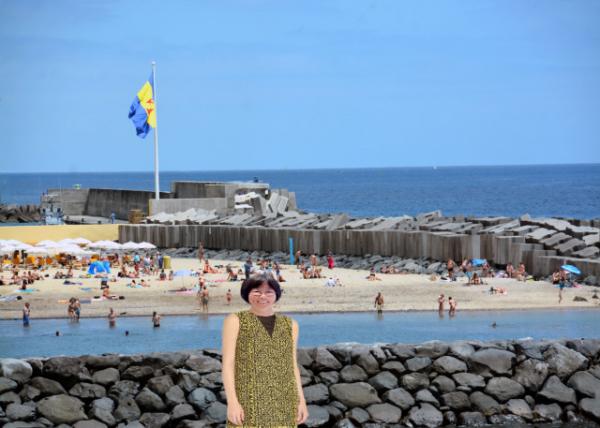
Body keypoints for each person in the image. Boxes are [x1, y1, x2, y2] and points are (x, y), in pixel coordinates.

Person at [222, 276, 308, 427]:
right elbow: (228, 364)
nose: (263, 296)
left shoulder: (291, 324)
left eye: (269, 292)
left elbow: (292, 366)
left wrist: (301, 401)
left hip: (285, 399)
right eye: (256, 291)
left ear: (276, 294)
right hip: (248, 397)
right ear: (247, 293)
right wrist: (232, 402)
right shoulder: (235, 320)